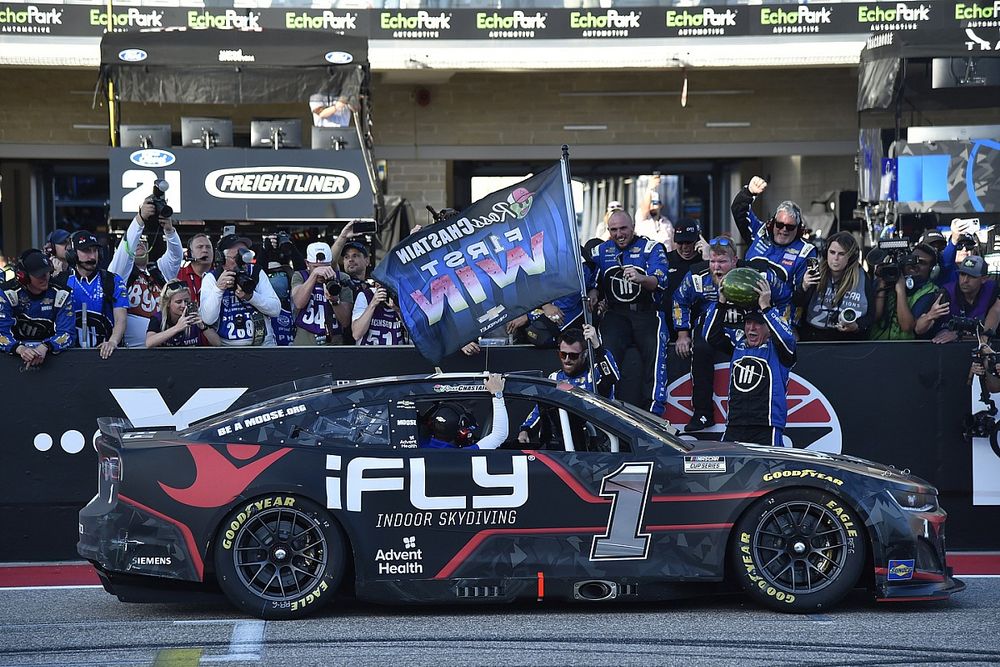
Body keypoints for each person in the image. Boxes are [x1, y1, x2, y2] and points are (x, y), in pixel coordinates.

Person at [588, 210, 670, 416]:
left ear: (633, 227)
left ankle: (654, 412)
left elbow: (660, 281)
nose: (619, 234)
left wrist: (642, 278)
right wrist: (594, 292)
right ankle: (606, 408)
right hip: (617, 315)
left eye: (623, 228)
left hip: (647, 313)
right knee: (606, 356)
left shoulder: (651, 248)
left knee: (655, 356)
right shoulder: (601, 251)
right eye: (613, 230)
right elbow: (592, 279)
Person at [704, 277, 797, 448]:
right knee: (728, 473)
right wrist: (721, 303)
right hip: (735, 424)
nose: (751, 328)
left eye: (758, 324)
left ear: (769, 327)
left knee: (770, 472)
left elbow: (787, 337)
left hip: (766, 426)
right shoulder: (737, 343)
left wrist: (767, 307)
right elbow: (709, 334)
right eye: (748, 323)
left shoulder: (779, 349)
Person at [673, 236, 740, 432]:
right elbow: (679, 301)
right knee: (701, 348)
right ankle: (702, 413)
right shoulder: (696, 276)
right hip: (708, 324)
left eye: (722, 261)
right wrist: (682, 333)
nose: (716, 267)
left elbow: (781, 296)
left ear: (734, 260)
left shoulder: (750, 273)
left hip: (740, 324)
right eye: (713, 261)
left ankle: (743, 415)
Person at [516, 324, 620, 443]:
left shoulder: (595, 373)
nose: (567, 360)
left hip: (595, 444)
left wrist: (597, 347)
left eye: (573, 356)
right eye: (563, 354)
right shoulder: (554, 378)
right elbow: (540, 410)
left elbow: (612, 377)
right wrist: (526, 430)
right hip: (563, 445)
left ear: (585, 354)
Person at [731, 175, 818, 312]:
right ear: (772, 223)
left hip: (779, 313)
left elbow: (803, 299)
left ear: (799, 229)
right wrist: (749, 193)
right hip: (748, 310)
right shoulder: (759, 233)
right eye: (780, 224)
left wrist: (804, 287)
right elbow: (738, 210)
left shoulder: (806, 251)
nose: (784, 230)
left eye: (790, 227)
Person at [108, 200, 183, 348]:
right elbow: (127, 248)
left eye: (143, 241)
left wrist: (169, 230)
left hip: (165, 347)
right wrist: (140, 219)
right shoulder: (120, 274)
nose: (140, 243)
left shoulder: (158, 271)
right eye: (137, 240)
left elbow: (176, 257)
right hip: (132, 350)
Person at [199, 234, 282, 346]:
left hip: (263, 345)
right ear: (222, 258)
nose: (242, 262)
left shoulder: (256, 272)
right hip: (228, 349)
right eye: (236, 257)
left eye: (245, 255)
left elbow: (275, 309)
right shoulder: (212, 278)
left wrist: (251, 297)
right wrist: (218, 289)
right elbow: (208, 319)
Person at [0, 250, 74, 366]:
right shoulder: (7, 293)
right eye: (39, 274)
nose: (45, 277)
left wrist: (46, 347)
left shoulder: (61, 293)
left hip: (52, 361)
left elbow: (67, 333)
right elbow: (1, 332)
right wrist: (20, 349)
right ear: (23, 276)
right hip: (11, 361)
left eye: (47, 272)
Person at [796, 231, 875, 341]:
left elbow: (871, 316)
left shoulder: (862, 278)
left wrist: (856, 326)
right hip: (814, 339)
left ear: (851, 257)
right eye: (832, 252)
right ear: (825, 253)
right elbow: (797, 304)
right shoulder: (815, 273)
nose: (835, 258)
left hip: (848, 342)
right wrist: (803, 287)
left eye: (841, 254)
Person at [67, 230, 127, 358]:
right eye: (86, 251)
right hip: (70, 355)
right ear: (73, 254)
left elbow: (120, 319)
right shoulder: (62, 281)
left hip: (106, 354)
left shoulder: (113, 280)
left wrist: (113, 341)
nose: (92, 257)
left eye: (95, 251)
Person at [869, 243, 944, 341]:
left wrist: (900, 290)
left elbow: (907, 326)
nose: (914, 265)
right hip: (874, 347)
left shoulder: (932, 293)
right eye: (911, 259)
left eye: (922, 263)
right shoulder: (886, 281)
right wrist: (882, 282)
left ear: (933, 270)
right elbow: (874, 316)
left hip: (906, 350)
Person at [421, 374, 508, 450]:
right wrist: (497, 394)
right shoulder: (463, 455)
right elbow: (499, 435)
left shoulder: (417, 446)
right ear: (461, 433)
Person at [291, 242, 352, 346]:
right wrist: (314, 275)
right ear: (307, 263)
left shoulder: (342, 279)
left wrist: (335, 301)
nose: (322, 272)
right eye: (316, 267)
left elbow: (345, 321)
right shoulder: (300, 276)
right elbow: (299, 303)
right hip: (305, 344)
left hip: (334, 344)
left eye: (325, 266)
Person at [933, 255, 1000, 344]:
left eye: (972, 276)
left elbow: (985, 337)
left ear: (984, 279)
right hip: (946, 349)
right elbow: (923, 329)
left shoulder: (992, 292)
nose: (965, 280)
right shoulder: (946, 293)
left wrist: (960, 335)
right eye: (962, 274)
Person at [145, 281, 221, 348]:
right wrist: (177, 328)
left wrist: (203, 327)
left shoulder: (194, 316)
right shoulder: (158, 318)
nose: (184, 305)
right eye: (178, 302)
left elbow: (217, 343)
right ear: (168, 303)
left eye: (186, 301)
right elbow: (149, 343)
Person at [352, 280, 407, 346]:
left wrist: (398, 311)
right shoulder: (365, 296)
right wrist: (372, 304)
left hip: (396, 353)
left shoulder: (403, 297)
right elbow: (356, 334)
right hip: (368, 353)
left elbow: (415, 335)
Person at [635, 174, 674, 250]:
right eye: (650, 202)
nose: (651, 205)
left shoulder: (667, 223)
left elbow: (673, 244)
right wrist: (650, 187)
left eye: (654, 202)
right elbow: (645, 207)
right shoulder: (642, 218)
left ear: (661, 205)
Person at [176, 231, 213, 304]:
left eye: (208, 247)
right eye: (200, 247)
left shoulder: (220, 275)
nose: (205, 250)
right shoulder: (178, 275)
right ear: (190, 254)